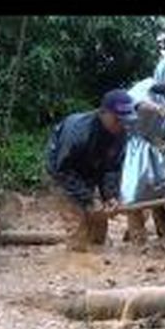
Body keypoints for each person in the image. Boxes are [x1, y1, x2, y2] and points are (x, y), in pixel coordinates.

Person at [46, 89, 135, 251]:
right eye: (118, 119)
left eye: (125, 120)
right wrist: (89, 199)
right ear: (103, 113)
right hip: (63, 173)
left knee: (99, 228)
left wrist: (111, 196)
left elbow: (112, 168)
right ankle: (74, 266)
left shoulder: (121, 133)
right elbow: (62, 170)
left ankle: (98, 268)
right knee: (77, 229)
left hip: (91, 171)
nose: (122, 125)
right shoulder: (78, 132)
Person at [121, 56, 165, 244]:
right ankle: (137, 235)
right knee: (135, 190)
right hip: (136, 143)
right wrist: (157, 108)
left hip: (156, 143)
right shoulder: (147, 86)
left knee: (161, 187)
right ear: (163, 75)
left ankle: (163, 230)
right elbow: (137, 102)